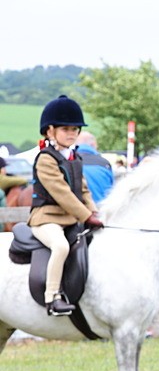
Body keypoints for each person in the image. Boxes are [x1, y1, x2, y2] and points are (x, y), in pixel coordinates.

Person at [28, 96, 104, 316]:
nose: (71, 133)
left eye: (75, 129)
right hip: (46, 218)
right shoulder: (45, 159)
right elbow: (62, 193)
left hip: (70, 219)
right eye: (65, 129)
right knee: (61, 246)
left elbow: (84, 189)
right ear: (50, 131)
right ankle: (52, 297)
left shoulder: (74, 157)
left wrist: (95, 211)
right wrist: (86, 216)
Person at [74, 131, 115, 203]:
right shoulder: (105, 164)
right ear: (93, 144)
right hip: (101, 207)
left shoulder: (70, 162)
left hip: (78, 207)